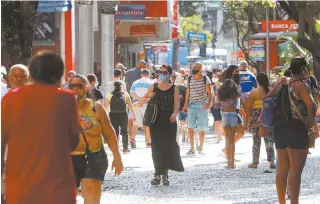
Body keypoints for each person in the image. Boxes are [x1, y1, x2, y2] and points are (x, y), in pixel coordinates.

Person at [1, 51, 80, 204]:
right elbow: (73, 142)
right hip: (59, 186)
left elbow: (1, 141)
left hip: (20, 186)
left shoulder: (11, 99)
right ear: (59, 74)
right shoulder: (66, 99)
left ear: (31, 74)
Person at [69, 75, 123, 204]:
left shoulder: (96, 107)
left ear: (86, 88)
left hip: (93, 155)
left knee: (92, 199)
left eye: (79, 86)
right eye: (72, 86)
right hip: (68, 158)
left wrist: (117, 156)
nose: (75, 89)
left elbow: (109, 133)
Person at [270, 57, 316, 204]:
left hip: (279, 130)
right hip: (296, 129)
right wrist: (309, 123)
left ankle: (281, 201)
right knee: (295, 171)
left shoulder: (283, 83)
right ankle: (294, 202)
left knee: (282, 170)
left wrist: (279, 82)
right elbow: (312, 105)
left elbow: (267, 98)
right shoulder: (300, 85)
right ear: (303, 68)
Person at [143, 64, 184, 185]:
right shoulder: (153, 87)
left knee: (168, 147)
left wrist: (175, 114)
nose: (162, 74)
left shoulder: (174, 88)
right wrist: (149, 98)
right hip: (156, 120)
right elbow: (143, 100)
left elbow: (176, 104)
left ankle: (165, 174)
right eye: (160, 72)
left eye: (165, 72)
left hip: (169, 120)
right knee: (156, 147)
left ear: (170, 74)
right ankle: (157, 174)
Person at [244, 73, 276, 169]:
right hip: (269, 118)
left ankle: (255, 162)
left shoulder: (254, 93)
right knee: (269, 140)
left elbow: (249, 110)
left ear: (257, 81)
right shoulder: (271, 91)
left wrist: (246, 122)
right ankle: (272, 161)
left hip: (256, 119)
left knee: (256, 141)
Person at [183, 62, 212, 155]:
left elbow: (210, 93)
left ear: (200, 69)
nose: (193, 69)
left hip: (202, 105)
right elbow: (188, 91)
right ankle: (192, 148)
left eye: (195, 67)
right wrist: (185, 104)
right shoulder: (189, 78)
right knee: (190, 126)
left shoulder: (205, 78)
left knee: (202, 127)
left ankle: (201, 148)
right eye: (193, 67)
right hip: (192, 105)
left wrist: (208, 104)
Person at [106, 81, 136, 153]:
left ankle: (115, 148)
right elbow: (130, 105)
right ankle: (125, 148)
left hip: (113, 114)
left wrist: (105, 114)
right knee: (124, 131)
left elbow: (106, 105)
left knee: (115, 131)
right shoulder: (125, 94)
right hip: (123, 114)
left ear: (114, 86)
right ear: (121, 86)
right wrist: (134, 115)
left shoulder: (110, 94)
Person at [218, 78, 241, 169]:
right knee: (232, 140)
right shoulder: (236, 93)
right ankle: (232, 162)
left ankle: (228, 162)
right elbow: (241, 97)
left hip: (225, 115)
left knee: (227, 140)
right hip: (234, 114)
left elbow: (217, 105)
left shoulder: (222, 93)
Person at [126, 60, 147, 148]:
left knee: (131, 121)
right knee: (145, 122)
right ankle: (148, 140)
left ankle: (131, 139)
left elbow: (127, 85)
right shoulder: (141, 73)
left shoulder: (128, 72)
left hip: (130, 98)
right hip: (140, 100)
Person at [130, 69, 153, 148]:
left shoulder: (135, 82)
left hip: (136, 104)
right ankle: (148, 142)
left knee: (136, 123)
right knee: (147, 124)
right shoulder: (151, 83)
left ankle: (132, 139)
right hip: (147, 104)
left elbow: (132, 93)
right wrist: (143, 100)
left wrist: (139, 99)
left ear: (141, 75)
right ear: (148, 75)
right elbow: (152, 95)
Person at [210, 71, 224, 143]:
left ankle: (221, 134)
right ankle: (219, 137)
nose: (214, 78)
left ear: (219, 78)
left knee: (222, 122)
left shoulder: (222, 86)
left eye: (215, 77)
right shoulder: (211, 87)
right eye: (213, 77)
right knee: (217, 121)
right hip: (214, 106)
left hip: (223, 106)